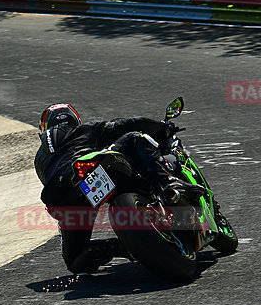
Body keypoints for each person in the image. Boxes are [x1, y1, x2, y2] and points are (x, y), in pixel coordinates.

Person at [34, 103, 205, 274]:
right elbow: (125, 125)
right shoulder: (83, 130)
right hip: (90, 166)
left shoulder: (39, 159)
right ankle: (168, 184)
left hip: (61, 195)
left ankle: (118, 247)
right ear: (74, 120)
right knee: (135, 137)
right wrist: (162, 128)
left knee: (76, 259)